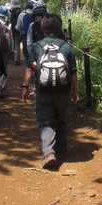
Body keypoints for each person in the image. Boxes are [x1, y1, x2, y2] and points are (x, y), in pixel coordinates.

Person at [22, 14, 79, 170]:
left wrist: (25, 87)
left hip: (43, 90)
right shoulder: (66, 47)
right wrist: (76, 91)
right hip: (63, 90)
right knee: (60, 119)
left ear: (42, 28)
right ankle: (62, 149)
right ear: (59, 28)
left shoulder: (36, 46)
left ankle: (49, 153)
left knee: (45, 121)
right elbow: (73, 72)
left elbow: (30, 69)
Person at [9, 0, 21, 65]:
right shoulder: (20, 11)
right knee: (17, 44)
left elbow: (11, 21)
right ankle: (16, 58)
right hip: (18, 29)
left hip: (14, 29)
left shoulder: (13, 12)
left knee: (16, 44)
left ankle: (16, 59)